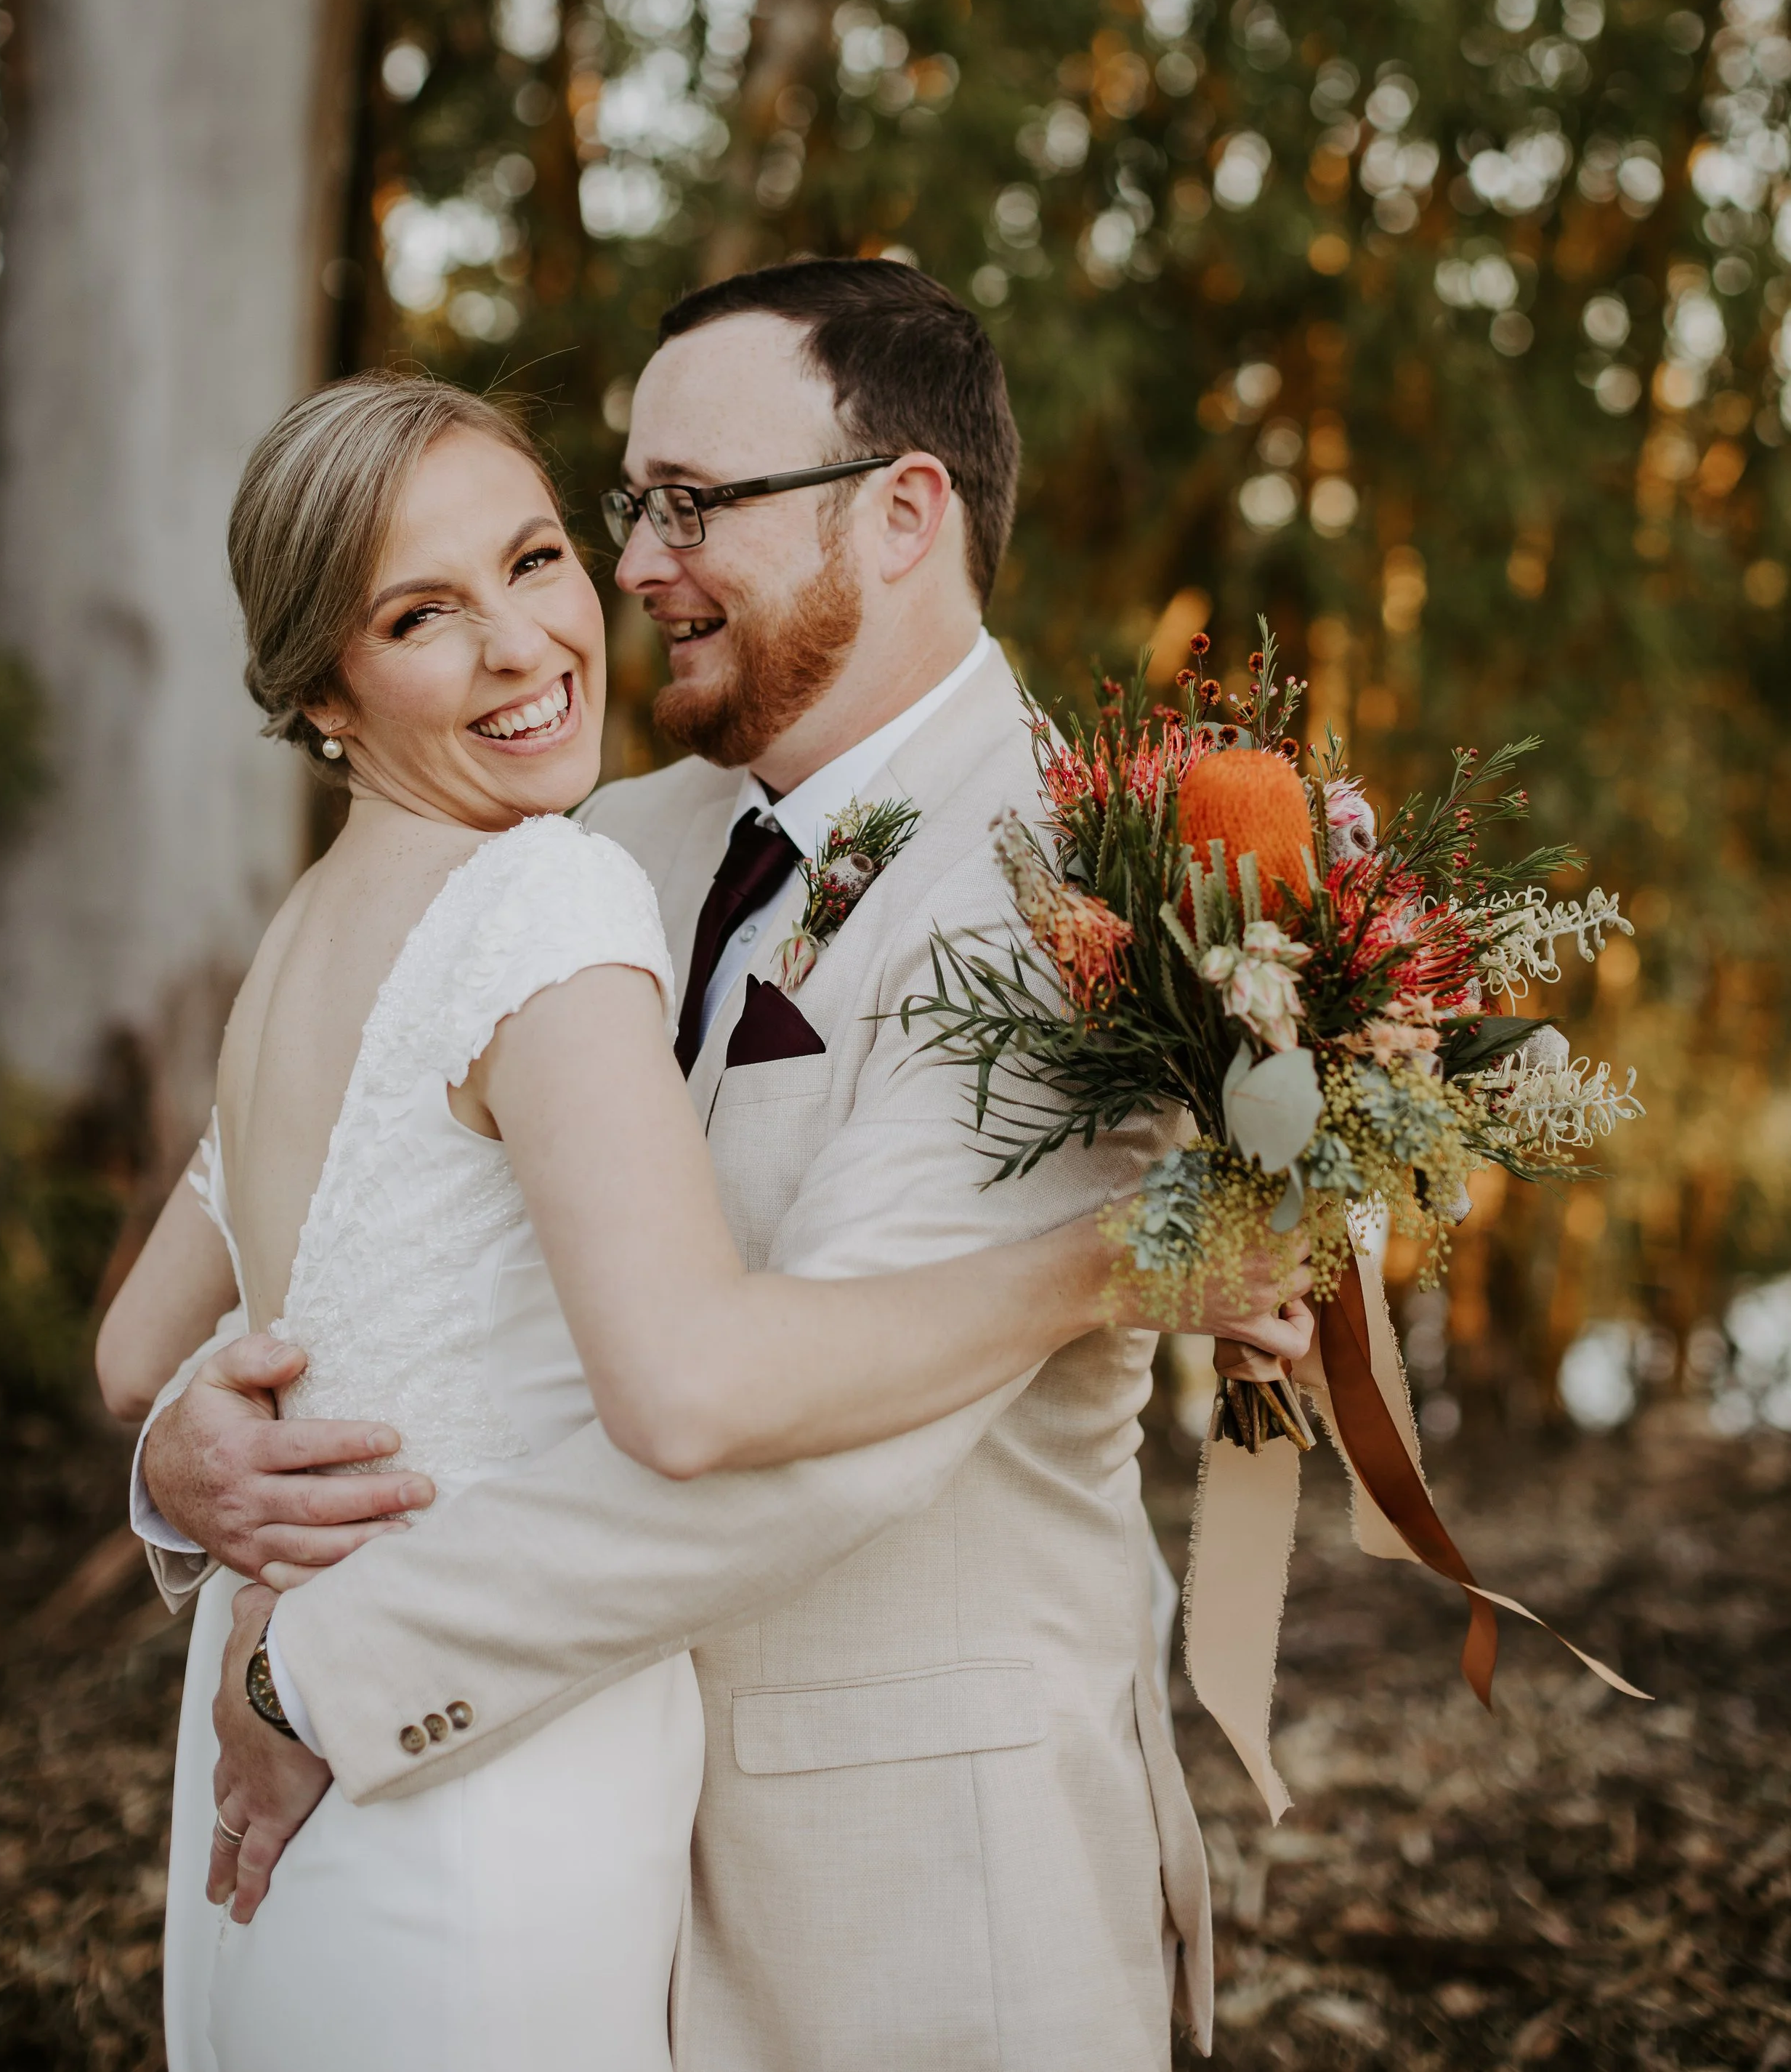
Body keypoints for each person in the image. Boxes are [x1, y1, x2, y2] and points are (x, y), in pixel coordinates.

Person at [111, 267, 1312, 2072]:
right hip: (575, 1853)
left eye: (693, 503)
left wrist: (326, 1672)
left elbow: (802, 1455)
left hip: (906, 1913)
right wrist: (184, 1444)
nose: (636, 564)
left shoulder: (1068, 894)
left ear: (901, 510)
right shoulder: (602, 828)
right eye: (627, 507)